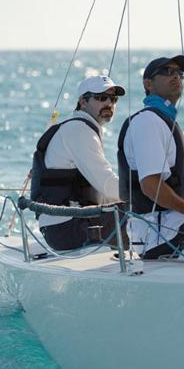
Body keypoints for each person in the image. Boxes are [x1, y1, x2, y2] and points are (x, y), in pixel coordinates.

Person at [118, 55, 184, 259]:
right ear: (148, 83)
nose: (176, 76)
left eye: (180, 73)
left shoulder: (162, 120)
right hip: (158, 233)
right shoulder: (148, 122)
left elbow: (167, 179)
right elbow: (151, 186)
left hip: (169, 225)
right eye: (167, 72)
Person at [31, 75, 126, 250]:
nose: (109, 103)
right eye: (101, 97)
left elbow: (100, 191)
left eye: (113, 98)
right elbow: (107, 184)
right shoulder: (79, 130)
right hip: (68, 228)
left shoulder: (80, 128)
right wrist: (148, 192)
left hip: (63, 226)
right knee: (148, 213)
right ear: (83, 101)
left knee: (135, 205)